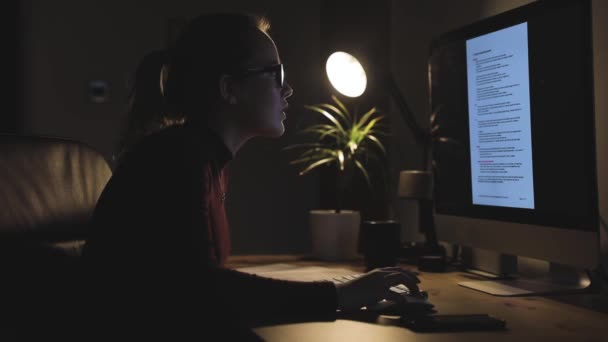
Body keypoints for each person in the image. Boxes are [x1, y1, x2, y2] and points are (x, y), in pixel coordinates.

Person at [80, 13, 421, 340]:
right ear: (229, 88)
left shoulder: (198, 156)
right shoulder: (177, 159)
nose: (286, 90)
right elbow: (201, 290)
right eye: (276, 74)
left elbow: (196, 283)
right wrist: (338, 294)